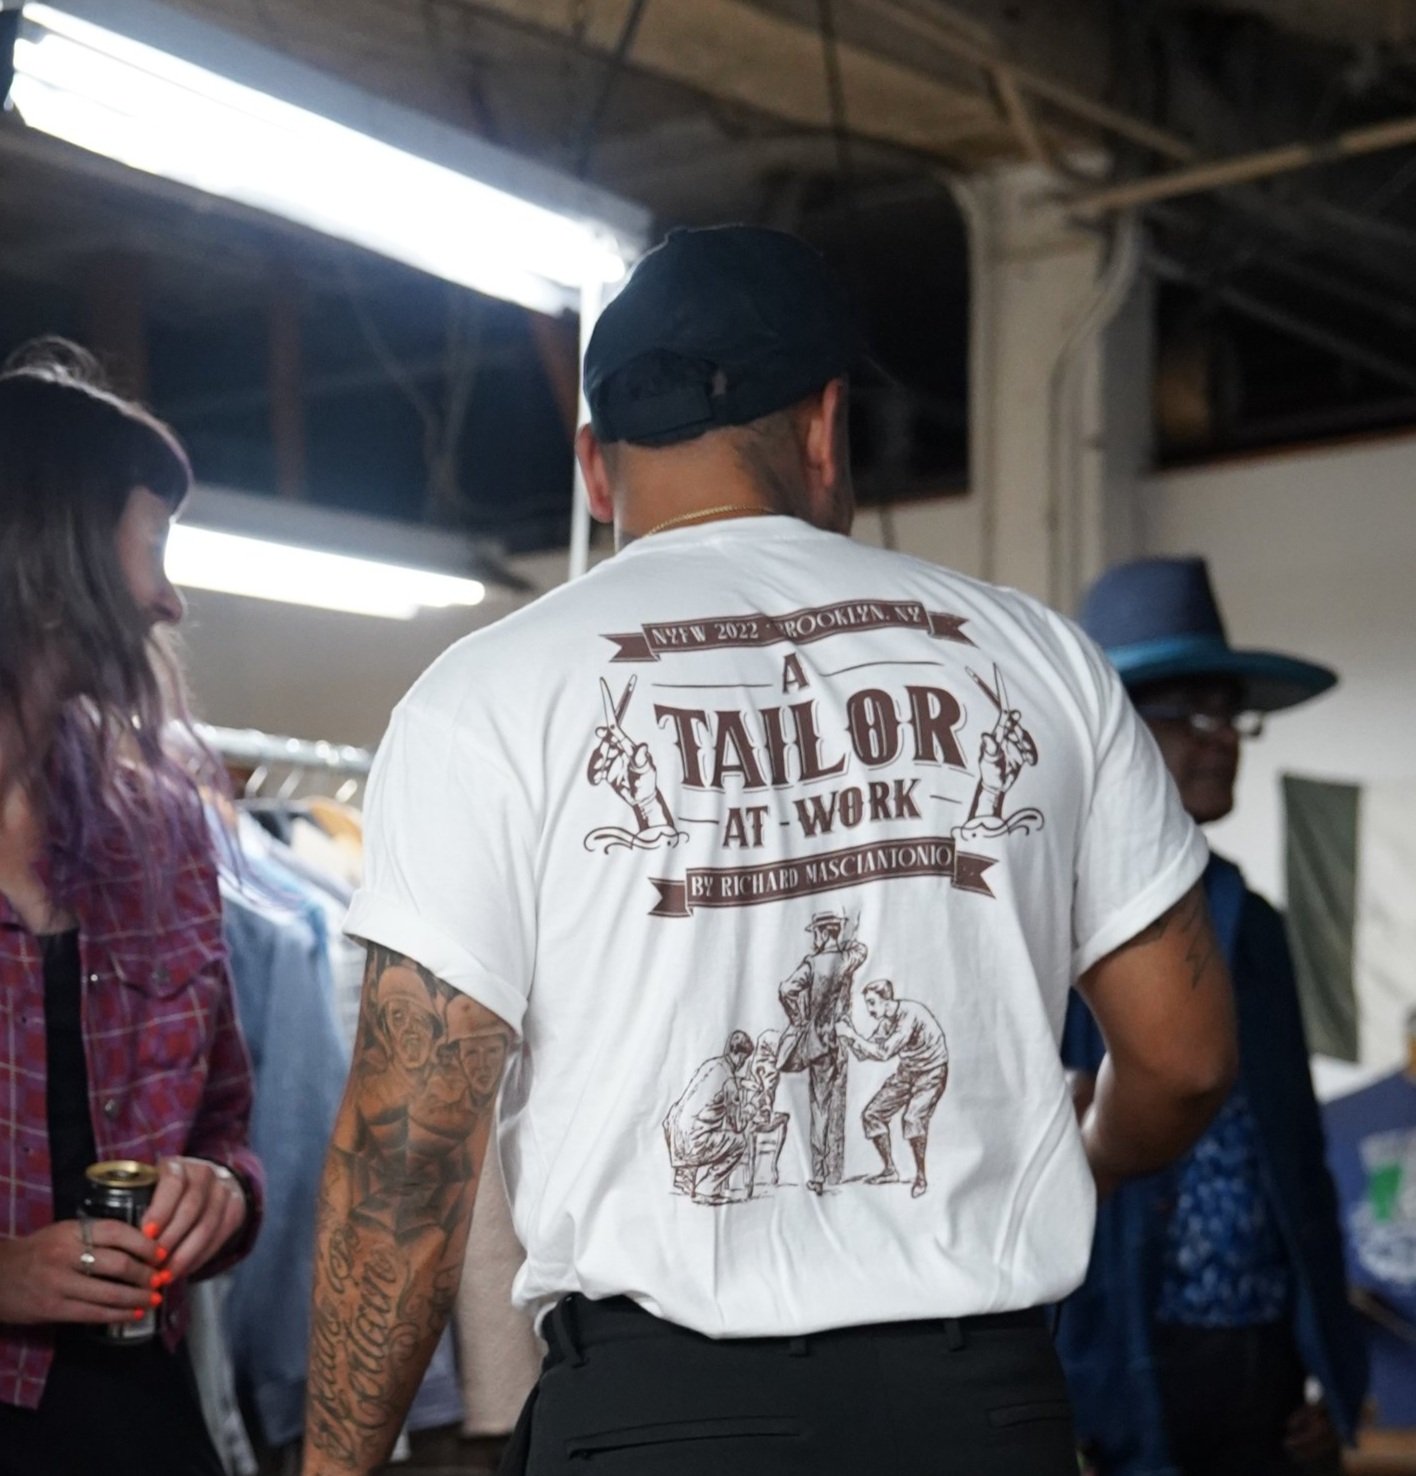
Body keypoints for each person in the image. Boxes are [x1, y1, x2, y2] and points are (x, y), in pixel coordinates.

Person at [303, 226, 1238, 1476]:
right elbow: (1183, 1059)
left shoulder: (486, 699)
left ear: (594, 467)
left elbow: (408, 1158)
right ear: (825, 427)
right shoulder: (1038, 662)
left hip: (657, 1422)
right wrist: (1093, 1156)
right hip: (979, 1416)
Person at [0, 341, 264, 1476]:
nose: (169, 597)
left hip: (133, 1418)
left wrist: (223, 1194)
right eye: (151, 545)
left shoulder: (160, 833)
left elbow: (227, 1126)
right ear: (53, 547)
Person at [1059, 556, 1368, 1476]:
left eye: (1231, 715)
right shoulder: (1048, 920)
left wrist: (1323, 1367)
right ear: (1113, 731)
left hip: (1262, 1373)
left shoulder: (1253, 927)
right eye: (1190, 714)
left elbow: (1296, 1160)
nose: (1223, 738)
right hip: (1113, 1371)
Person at [777, 910, 868, 1192]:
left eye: (816, 933)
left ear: (823, 932)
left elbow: (786, 990)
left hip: (817, 1043)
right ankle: (831, 1172)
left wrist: (799, 1019)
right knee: (833, 1105)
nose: (814, 938)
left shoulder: (812, 963)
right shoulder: (847, 958)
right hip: (838, 1041)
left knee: (819, 1107)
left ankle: (818, 1173)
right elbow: (861, 950)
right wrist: (844, 940)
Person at [837, 978, 948, 1197]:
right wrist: (848, 1035)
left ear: (886, 1000)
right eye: (867, 1004)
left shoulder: (909, 1015)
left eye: (872, 1003)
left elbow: (883, 1052)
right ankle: (889, 1170)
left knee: (913, 1118)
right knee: (872, 1114)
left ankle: (921, 1177)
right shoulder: (886, 1022)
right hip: (908, 1071)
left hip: (932, 1072)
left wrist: (851, 1035)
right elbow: (864, 1053)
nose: (869, 1009)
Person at [663, 1030, 754, 1203]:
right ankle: (707, 1189)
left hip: (674, 1134)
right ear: (739, 1054)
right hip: (693, 1144)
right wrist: (749, 1110)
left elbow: (713, 1088)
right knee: (739, 1141)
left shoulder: (711, 1065)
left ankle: (684, 1176)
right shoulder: (729, 1082)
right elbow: (737, 1124)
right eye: (744, 1059)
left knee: (696, 1119)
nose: (743, 1064)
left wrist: (740, 1083)